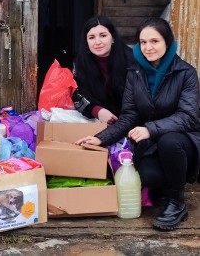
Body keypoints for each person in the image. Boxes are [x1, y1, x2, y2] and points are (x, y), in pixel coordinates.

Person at [75, 17, 200, 231]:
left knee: (170, 142)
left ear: (167, 42)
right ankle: (165, 187)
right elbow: (130, 115)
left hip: (184, 138)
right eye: (143, 42)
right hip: (152, 142)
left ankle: (177, 203)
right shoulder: (135, 73)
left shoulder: (185, 73)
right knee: (148, 176)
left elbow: (188, 116)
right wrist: (100, 138)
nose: (148, 47)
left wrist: (150, 128)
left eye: (155, 41)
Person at [72, 16, 135, 124]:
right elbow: (76, 95)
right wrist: (97, 111)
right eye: (91, 37)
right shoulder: (80, 64)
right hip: (98, 121)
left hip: (132, 121)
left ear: (113, 38)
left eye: (103, 35)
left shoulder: (132, 60)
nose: (97, 42)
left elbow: (142, 97)